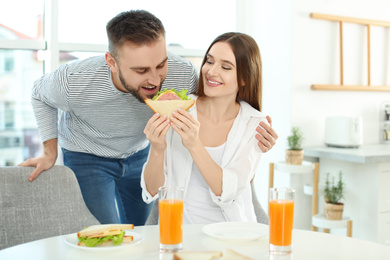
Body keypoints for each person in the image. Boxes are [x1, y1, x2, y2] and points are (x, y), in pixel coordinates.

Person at [19, 10, 277, 225]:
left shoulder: (183, 76)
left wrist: (256, 134)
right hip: (89, 155)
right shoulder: (73, 81)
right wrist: (49, 151)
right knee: (108, 234)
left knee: (140, 230)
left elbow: (222, 97)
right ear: (112, 62)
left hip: (139, 150)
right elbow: (38, 95)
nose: (155, 80)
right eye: (141, 70)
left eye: (160, 65)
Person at [141, 32, 269, 223]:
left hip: (233, 237)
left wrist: (194, 144)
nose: (211, 71)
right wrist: (157, 149)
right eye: (209, 61)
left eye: (226, 67)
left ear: (244, 78)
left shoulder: (254, 124)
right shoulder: (179, 109)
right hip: (180, 236)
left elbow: (228, 191)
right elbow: (152, 190)